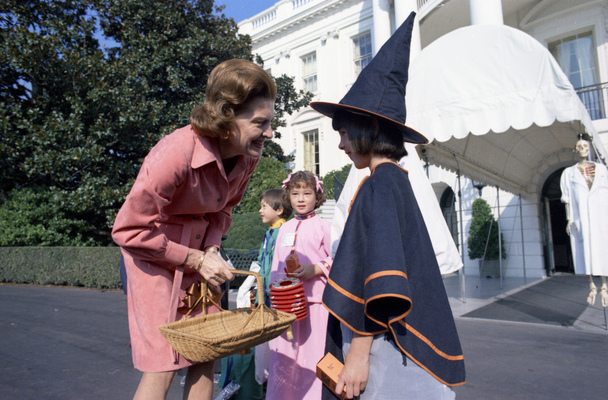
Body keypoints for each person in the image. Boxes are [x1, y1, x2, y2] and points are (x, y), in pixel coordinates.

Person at [311, 13, 465, 399]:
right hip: (398, 346)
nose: (341, 144)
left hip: (385, 350)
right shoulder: (399, 181)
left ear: (372, 129)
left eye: (345, 133)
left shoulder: (379, 185)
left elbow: (384, 282)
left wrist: (358, 357)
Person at [111, 58, 276, 400]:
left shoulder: (248, 157)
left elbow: (224, 209)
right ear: (227, 116)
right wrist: (195, 259)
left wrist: (212, 250)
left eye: (269, 122)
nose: (269, 133)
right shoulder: (174, 152)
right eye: (260, 123)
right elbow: (128, 230)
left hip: (203, 256)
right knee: (164, 364)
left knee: (207, 352)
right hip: (154, 259)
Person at [219, 188, 292, 399]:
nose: (260, 211)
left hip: (279, 299)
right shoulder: (269, 233)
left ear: (279, 209)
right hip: (265, 298)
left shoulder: (284, 233)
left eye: (264, 206)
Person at [266, 171, 332, 400]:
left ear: (317, 195)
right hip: (285, 305)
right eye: (295, 193)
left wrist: (316, 268)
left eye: (307, 193)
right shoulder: (284, 228)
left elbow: (339, 258)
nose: (301, 199)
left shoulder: (324, 226)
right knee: (285, 357)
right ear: (288, 196)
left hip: (315, 303)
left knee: (313, 355)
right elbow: (275, 264)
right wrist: (273, 294)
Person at [560, 138, 608, 306]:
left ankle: (604, 286)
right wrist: (569, 219)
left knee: (603, 247)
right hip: (582, 216)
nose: (583, 149)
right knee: (585, 248)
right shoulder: (568, 173)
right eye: (579, 146)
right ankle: (592, 286)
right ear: (575, 150)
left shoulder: (601, 169)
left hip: (601, 215)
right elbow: (567, 198)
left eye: (585, 146)